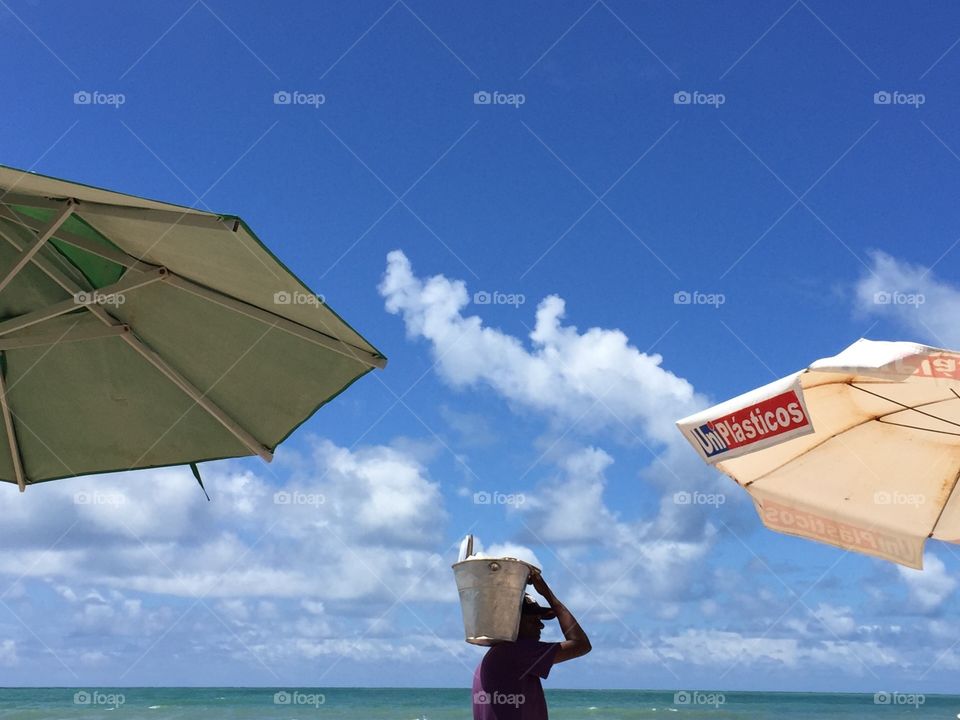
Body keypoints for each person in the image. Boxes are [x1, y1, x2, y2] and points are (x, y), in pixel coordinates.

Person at [472, 572, 591, 719]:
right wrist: (549, 595)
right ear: (513, 622)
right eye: (534, 620)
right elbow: (581, 644)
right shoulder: (515, 652)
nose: (541, 625)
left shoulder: (494, 656)